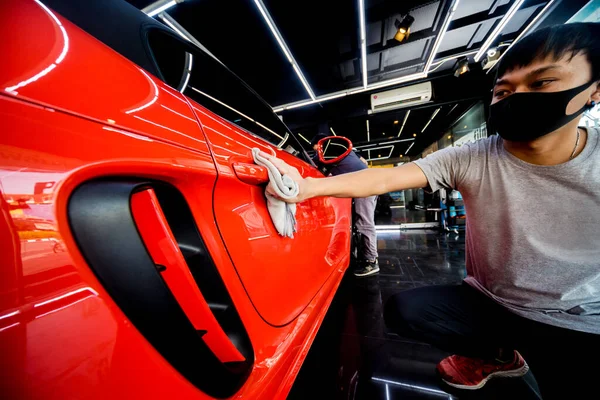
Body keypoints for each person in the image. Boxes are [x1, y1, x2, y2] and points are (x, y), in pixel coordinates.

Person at [264, 23, 600, 399]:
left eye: (541, 83)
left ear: (594, 90)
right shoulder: (475, 156)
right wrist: (307, 187)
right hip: (493, 303)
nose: (518, 97)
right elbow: (383, 180)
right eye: (504, 90)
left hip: (581, 318)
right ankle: (499, 356)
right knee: (407, 311)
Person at [310, 133, 379, 277]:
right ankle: (364, 257)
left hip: (365, 185)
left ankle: (371, 262)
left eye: (315, 147)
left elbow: (313, 165)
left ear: (320, 143)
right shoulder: (344, 149)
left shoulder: (327, 151)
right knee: (359, 223)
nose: (315, 150)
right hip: (366, 183)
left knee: (364, 223)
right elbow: (364, 162)